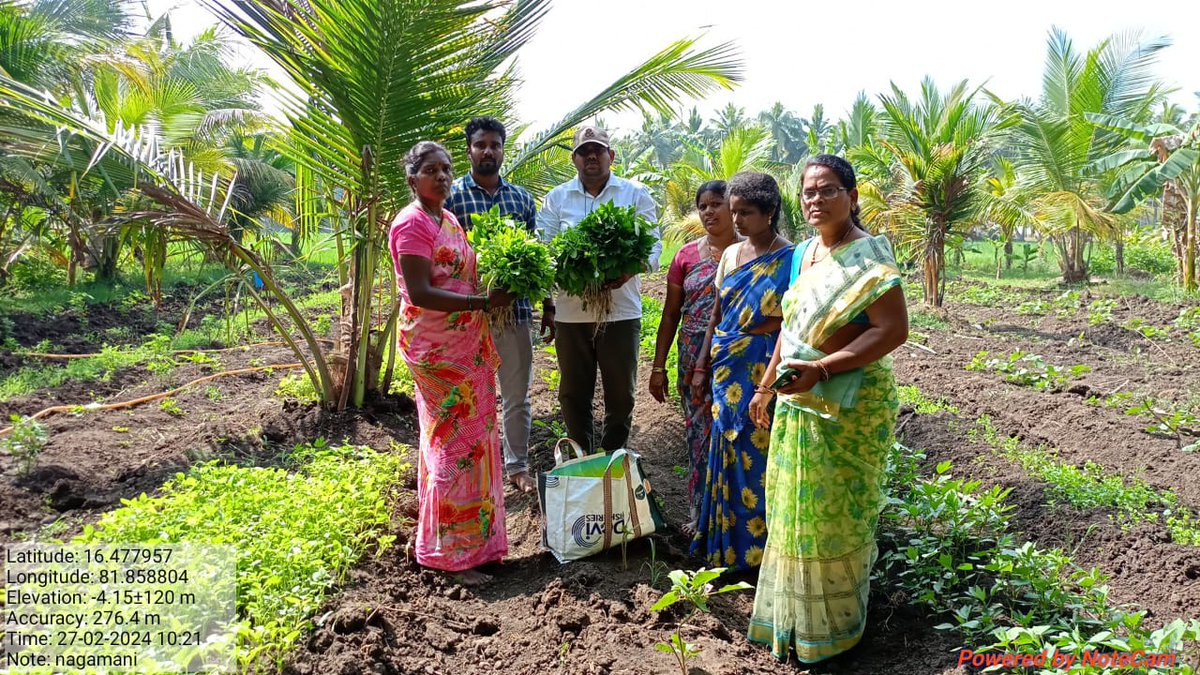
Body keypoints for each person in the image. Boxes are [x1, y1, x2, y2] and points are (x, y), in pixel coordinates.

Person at [745, 154, 908, 662]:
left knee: (837, 515)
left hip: (849, 403)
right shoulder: (805, 255)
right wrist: (766, 386)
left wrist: (826, 368)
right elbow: (791, 331)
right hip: (800, 396)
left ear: (852, 197)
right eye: (809, 192)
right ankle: (797, 621)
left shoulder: (869, 257)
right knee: (796, 510)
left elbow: (892, 330)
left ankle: (837, 631)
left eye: (828, 190)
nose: (816, 200)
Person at [388, 140, 514, 585]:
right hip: (437, 349)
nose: (442, 176)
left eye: (446, 169)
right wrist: (482, 302)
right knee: (452, 443)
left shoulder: (449, 218)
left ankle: (476, 545)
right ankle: (446, 554)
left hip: (467, 343)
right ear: (412, 178)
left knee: (476, 439)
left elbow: (463, 274)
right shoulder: (412, 224)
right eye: (431, 170)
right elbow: (420, 292)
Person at [690, 172, 794, 572]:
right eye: (733, 212)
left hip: (761, 369)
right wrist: (703, 364)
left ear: (769, 213)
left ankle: (760, 554)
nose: (736, 221)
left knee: (760, 456)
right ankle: (725, 550)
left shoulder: (792, 258)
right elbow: (718, 312)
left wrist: (752, 335)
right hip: (725, 369)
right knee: (727, 449)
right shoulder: (732, 256)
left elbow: (790, 320)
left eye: (745, 213)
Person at [536, 125, 661, 453]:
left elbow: (653, 249)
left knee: (621, 393)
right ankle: (581, 455)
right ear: (574, 159)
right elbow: (544, 248)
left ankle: (612, 456)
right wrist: (556, 285)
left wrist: (626, 270)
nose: (591, 156)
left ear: (611, 156)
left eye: (598, 150)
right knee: (573, 392)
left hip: (620, 311)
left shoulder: (635, 193)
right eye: (584, 151)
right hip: (570, 313)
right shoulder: (557, 198)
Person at [446, 116, 545, 494]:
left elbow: (536, 257)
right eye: (480, 144)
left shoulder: (521, 199)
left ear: (504, 150)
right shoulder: (452, 196)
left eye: (495, 145)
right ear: (469, 150)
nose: (488, 151)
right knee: (468, 395)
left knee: (516, 395)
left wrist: (545, 306)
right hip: (467, 315)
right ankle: (469, 466)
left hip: (515, 313)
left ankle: (517, 466)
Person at [648, 180, 741, 536]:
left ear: (732, 208)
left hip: (736, 356)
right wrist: (659, 367)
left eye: (716, 204)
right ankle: (700, 514)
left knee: (735, 430)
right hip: (692, 358)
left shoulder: (750, 253)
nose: (708, 212)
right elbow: (670, 315)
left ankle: (734, 516)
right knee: (699, 434)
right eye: (702, 206)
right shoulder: (686, 256)